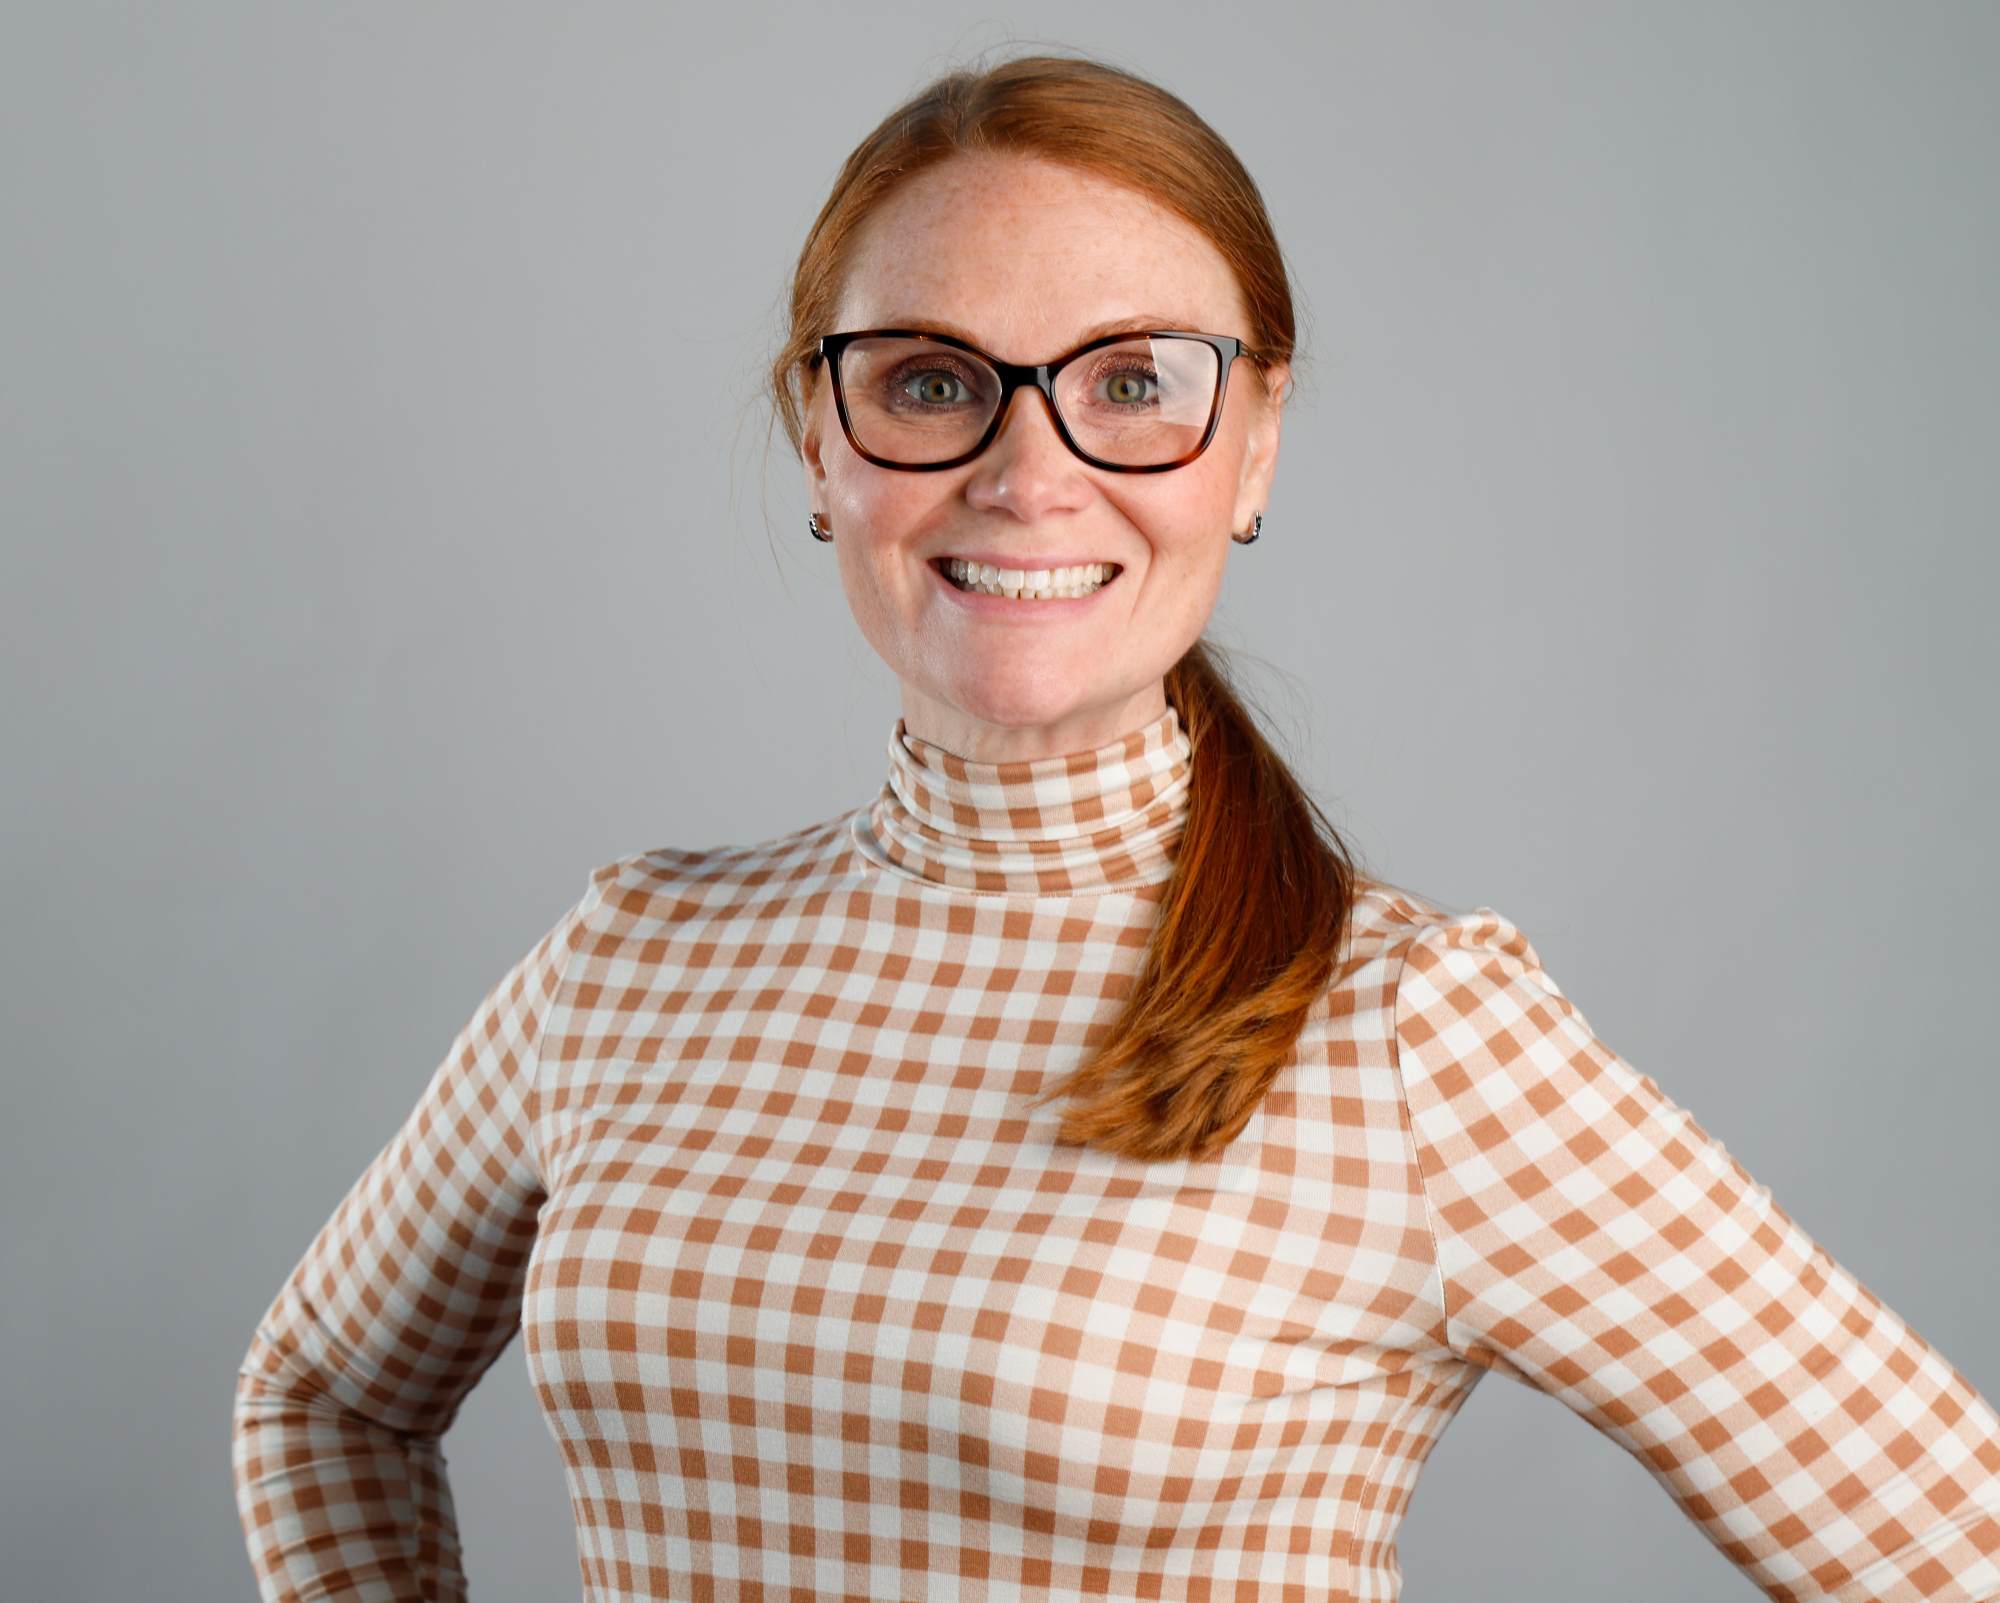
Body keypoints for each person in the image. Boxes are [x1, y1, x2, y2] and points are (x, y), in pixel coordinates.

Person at [231, 49, 2000, 1603]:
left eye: (1134, 382)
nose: (1028, 471)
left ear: (1254, 449)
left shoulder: (1407, 1031)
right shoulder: (628, 964)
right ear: (819, 436)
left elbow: (1952, 1545)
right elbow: (318, 1393)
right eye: (932, 381)